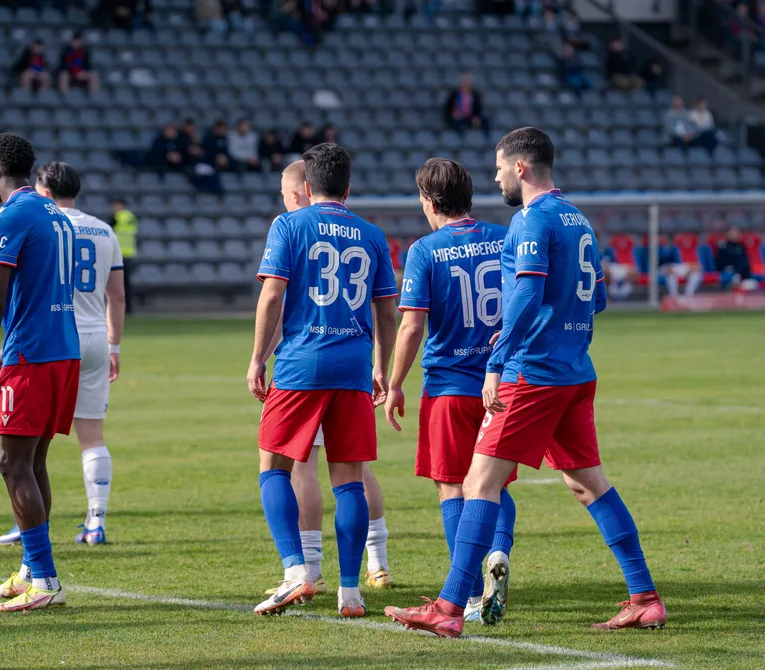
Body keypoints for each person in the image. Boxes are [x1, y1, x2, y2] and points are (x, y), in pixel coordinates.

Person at [385, 127, 666, 637]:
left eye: (498, 168)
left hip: (532, 374)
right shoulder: (578, 219)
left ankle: (449, 610)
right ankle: (644, 596)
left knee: (476, 483)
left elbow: (527, 295)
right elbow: (597, 300)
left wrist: (497, 362)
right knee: (587, 483)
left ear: (520, 168)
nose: (494, 177)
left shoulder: (530, 220)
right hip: (575, 371)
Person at [247, 143, 399, 618]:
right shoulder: (372, 234)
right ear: (348, 187)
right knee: (348, 479)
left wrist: (256, 358)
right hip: (353, 365)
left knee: (273, 466)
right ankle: (350, 592)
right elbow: (388, 312)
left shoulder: (289, 225)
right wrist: (383, 366)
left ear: (306, 187)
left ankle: (297, 571)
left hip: (301, 363)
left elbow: (272, 296)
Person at [384, 158, 516, 625]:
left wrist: (395, 383)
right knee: (492, 482)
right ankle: (498, 552)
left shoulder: (425, 250)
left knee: (451, 486)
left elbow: (412, 325)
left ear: (429, 201)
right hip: (502, 383)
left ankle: (466, 587)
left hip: (448, 386)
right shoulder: (505, 238)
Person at [0, 133, 81, 613]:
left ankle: (45, 578)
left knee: (12, 464)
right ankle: (33, 571)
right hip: (62, 351)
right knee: (33, 463)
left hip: (33, 359)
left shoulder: (9, 216)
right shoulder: (57, 214)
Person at [36, 163, 125, 545]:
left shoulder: (46, 226)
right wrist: (114, 344)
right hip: (95, 338)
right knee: (92, 436)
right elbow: (117, 295)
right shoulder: (104, 229)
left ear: (44, 190)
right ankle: (96, 521)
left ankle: (30, 524)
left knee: (30, 439)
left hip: (55, 339)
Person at [111, 197, 138, 315]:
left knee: (116, 283)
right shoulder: (132, 217)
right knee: (127, 283)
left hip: (118, 254)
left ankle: (116, 308)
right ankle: (129, 308)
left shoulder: (116, 217)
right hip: (129, 253)